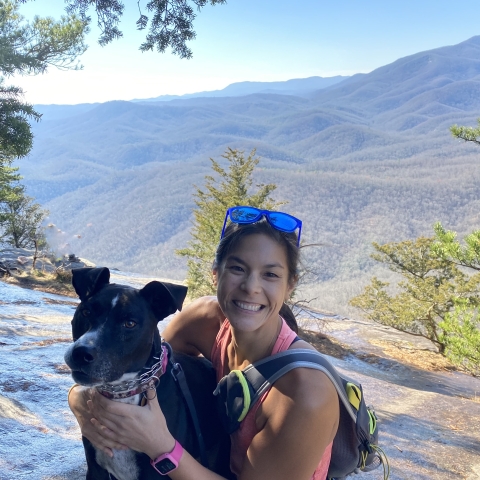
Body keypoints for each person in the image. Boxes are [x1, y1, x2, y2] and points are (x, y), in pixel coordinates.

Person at [68, 206, 340, 480]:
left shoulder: (304, 393)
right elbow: (145, 369)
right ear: (215, 273)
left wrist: (163, 448)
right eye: (237, 268)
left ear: (290, 285)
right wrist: (80, 399)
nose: (251, 287)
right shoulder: (205, 321)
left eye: (270, 274)